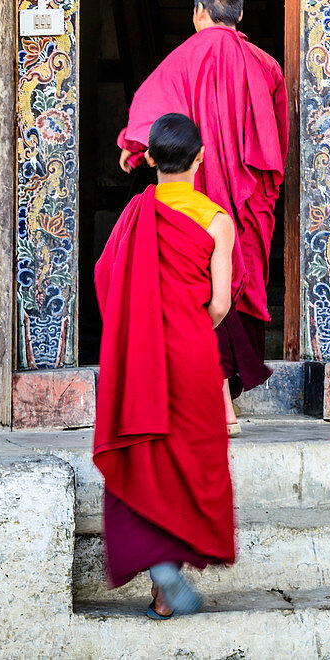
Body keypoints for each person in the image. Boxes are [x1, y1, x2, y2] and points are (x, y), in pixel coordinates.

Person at [118, 0, 289, 432]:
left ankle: (197, 400)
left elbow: (154, 112)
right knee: (232, 280)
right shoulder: (266, 65)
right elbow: (278, 145)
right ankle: (223, 397)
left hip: (193, 198)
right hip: (242, 205)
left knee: (185, 293)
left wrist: (135, 146)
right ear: (239, 16)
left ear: (198, 12)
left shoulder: (183, 58)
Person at [94, 113, 236, 618]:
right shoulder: (218, 220)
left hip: (143, 356)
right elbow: (219, 303)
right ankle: (165, 581)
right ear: (201, 158)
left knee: (146, 457)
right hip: (194, 353)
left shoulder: (136, 213)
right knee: (191, 461)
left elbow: (106, 279)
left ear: (149, 159)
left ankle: (158, 569)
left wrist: (140, 332)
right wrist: (187, 325)